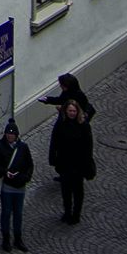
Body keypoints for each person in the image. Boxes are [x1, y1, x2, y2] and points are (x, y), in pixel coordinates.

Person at [49, 94, 97, 224]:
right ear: (66, 111)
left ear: (78, 112)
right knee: (66, 190)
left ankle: (76, 214)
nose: (72, 113)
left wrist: (86, 163)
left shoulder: (84, 126)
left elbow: (88, 146)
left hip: (78, 164)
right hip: (65, 162)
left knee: (77, 190)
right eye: (70, 111)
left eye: (74, 111)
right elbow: (55, 141)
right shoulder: (61, 124)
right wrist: (53, 158)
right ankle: (67, 212)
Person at [0, 118, 34, 250]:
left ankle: (18, 238)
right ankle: (6, 239)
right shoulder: (0, 146)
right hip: (7, 186)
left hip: (20, 186)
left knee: (18, 213)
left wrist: (26, 177)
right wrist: (5, 172)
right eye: (8, 134)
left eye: (12, 134)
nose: (10, 136)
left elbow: (29, 165)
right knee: (6, 212)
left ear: (16, 135)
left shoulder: (23, 148)